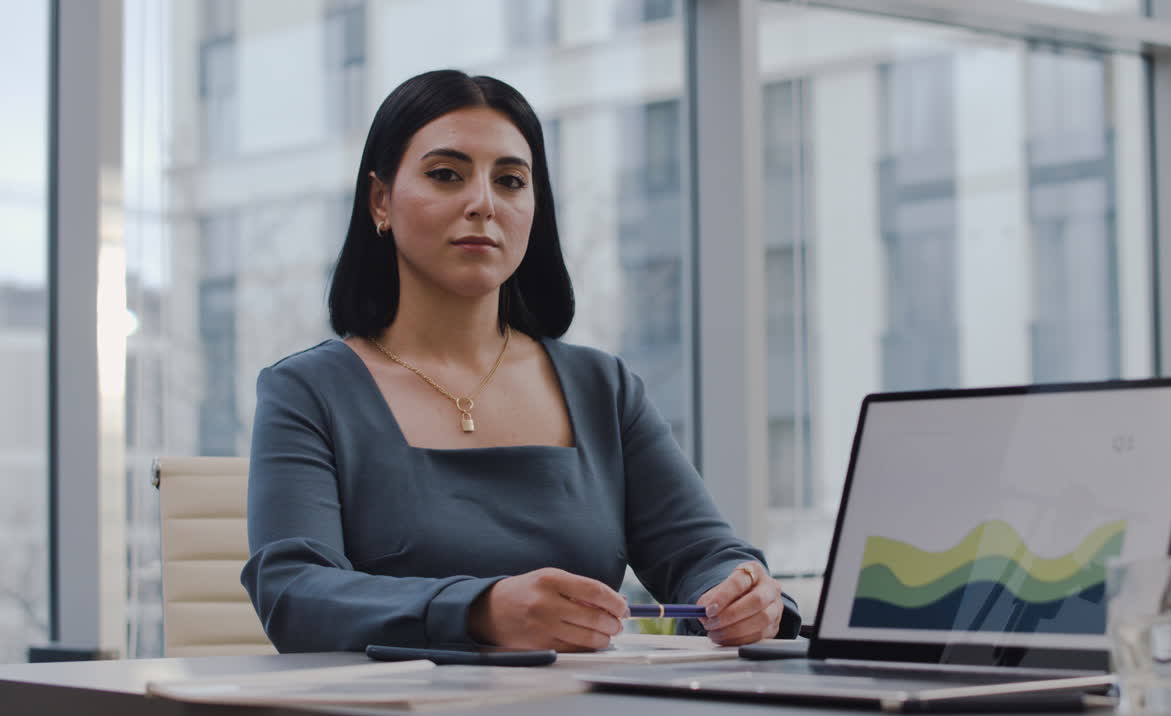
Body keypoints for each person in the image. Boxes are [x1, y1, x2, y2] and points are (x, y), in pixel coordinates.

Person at [241, 69, 802, 653]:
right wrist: (479, 612)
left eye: (510, 181)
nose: (482, 203)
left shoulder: (602, 388)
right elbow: (294, 594)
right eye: (445, 175)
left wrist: (745, 597)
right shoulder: (308, 390)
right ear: (381, 200)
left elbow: (706, 556)